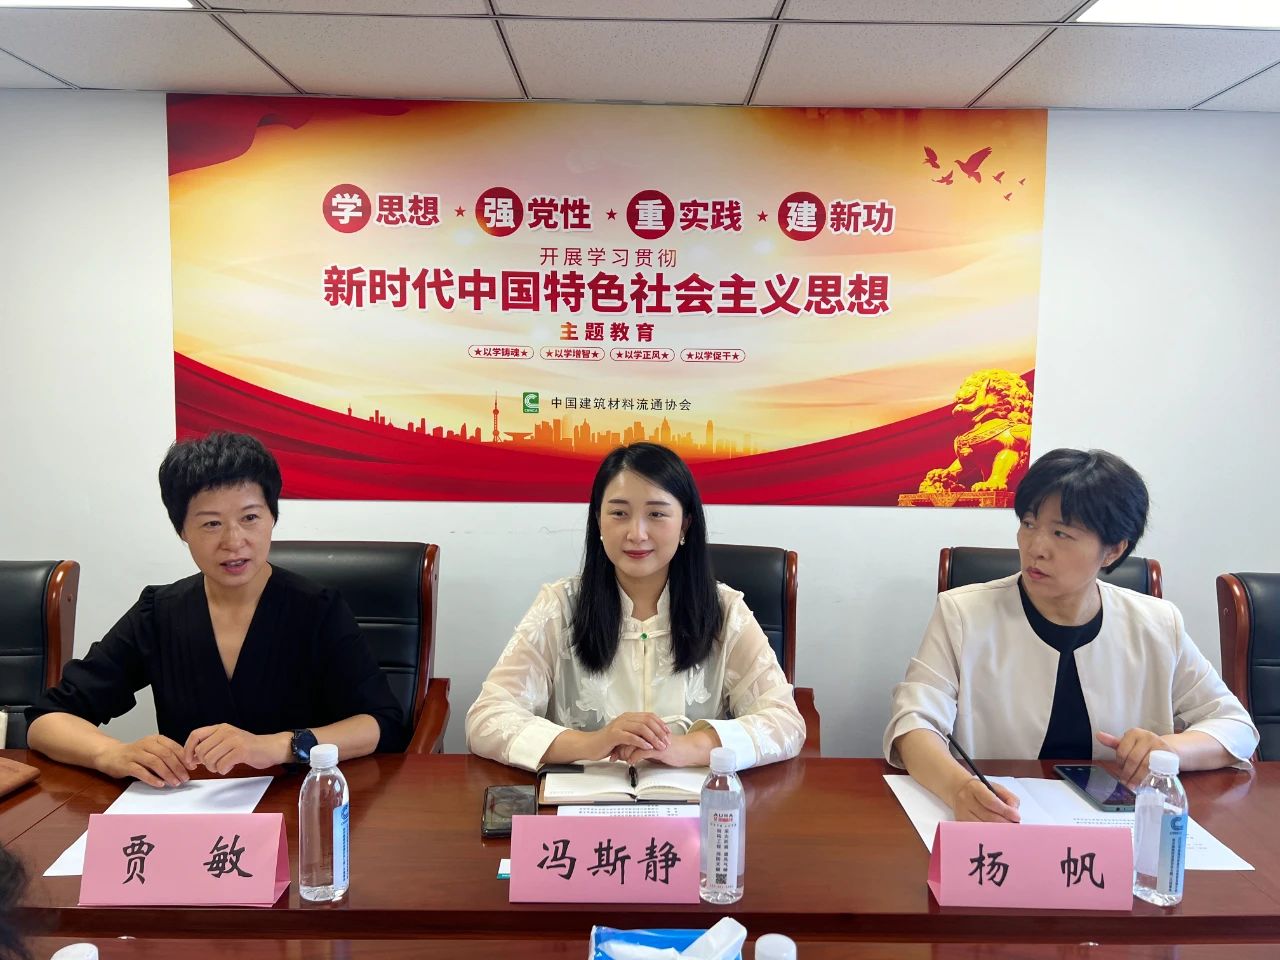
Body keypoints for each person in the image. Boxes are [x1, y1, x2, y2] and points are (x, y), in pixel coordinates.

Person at [884, 448, 1259, 823]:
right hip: (1003, 817)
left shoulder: (1157, 623)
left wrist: (1168, 751)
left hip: (1117, 827)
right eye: (1028, 524)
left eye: (1061, 533)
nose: (1036, 548)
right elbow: (913, 724)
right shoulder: (962, 613)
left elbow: (1236, 727)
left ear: (1113, 550)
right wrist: (959, 788)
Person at [27, 432, 403, 787]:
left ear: (272, 517)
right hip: (193, 809)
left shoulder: (318, 609)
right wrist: (111, 753)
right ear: (182, 531)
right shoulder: (158, 614)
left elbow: (381, 723)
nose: (233, 541)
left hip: (298, 804)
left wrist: (279, 746)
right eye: (211, 524)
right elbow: (47, 719)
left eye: (250, 517)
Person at [466, 442, 805, 772]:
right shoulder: (560, 606)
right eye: (619, 513)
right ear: (598, 521)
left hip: (694, 803)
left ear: (685, 523)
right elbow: (487, 717)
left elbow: (785, 722)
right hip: (583, 802)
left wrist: (684, 748)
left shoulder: (725, 611)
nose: (636, 533)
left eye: (656, 514)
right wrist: (593, 743)